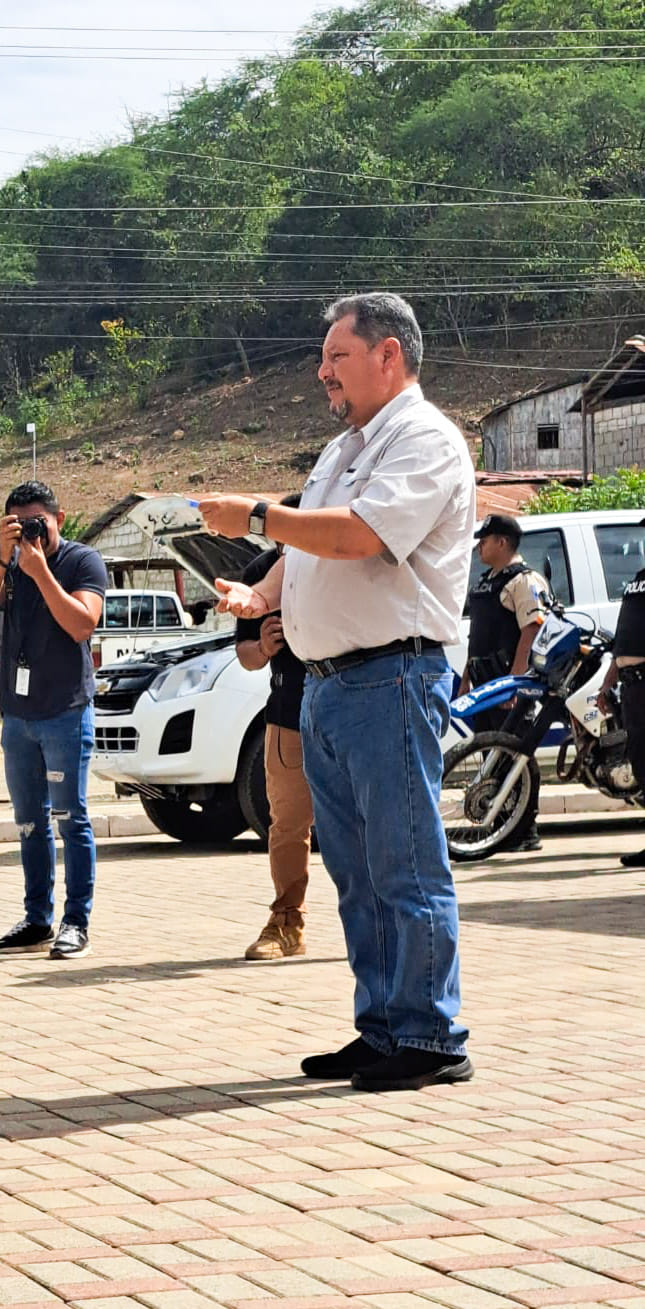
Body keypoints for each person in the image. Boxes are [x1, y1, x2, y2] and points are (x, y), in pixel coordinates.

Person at [198, 291, 475, 1093]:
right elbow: (309, 547)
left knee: (404, 865)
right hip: (328, 686)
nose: (321, 371)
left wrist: (258, 514)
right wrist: (259, 595)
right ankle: (383, 1025)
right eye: (322, 358)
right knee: (357, 872)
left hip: (391, 676)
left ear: (389, 355)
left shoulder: (423, 439)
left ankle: (429, 1035)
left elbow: (359, 535)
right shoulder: (344, 448)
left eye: (336, 356)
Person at [0, 481, 108, 960]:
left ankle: (76, 922)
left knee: (70, 818)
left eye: (37, 522)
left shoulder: (82, 561)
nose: (30, 531)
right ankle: (36, 920)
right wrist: (2, 558)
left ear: (58, 520)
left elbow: (82, 624)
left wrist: (41, 572)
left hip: (65, 711)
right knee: (29, 823)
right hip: (18, 717)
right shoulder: (9, 565)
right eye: (19, 523)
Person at [234, 494, 312, 960]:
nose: (285, 549)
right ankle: (286, 922)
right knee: (287, 825)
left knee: (362, 822)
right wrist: (263, 647)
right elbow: (244, 656)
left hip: (347, 707)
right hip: (288, 714)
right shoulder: (259, 573)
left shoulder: (342, 564)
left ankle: (375, 921)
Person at [459, 512, 550, 852]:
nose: (479, 547)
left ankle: (525, 831)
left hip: (509, 684)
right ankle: (502, 826)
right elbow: (477, 637)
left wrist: (516, 679)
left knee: (516, 753)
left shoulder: (524, 580)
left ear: (502, 542)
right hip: (485, 683)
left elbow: (533, 628)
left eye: (484, 541)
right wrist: (466, 678)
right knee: (491, 753)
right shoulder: (487, 581)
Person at [597, 567, 645, 868]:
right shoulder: (638, 579)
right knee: (641, 763)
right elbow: (625, 638)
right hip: (631, 685)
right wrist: (608, 682)